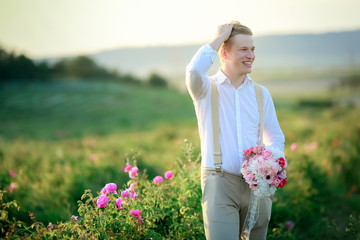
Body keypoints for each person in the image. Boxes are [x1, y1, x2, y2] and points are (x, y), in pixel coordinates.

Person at [185, 21, 285, 240]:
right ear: (224, 52)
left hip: (258, 189)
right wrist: (219, 36)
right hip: (219, 184)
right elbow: (193, 69)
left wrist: (272, 164)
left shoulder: (261, 94)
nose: (251, 55)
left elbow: (275, 137)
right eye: (243, 49)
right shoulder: (205, 89)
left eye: (253, 49)